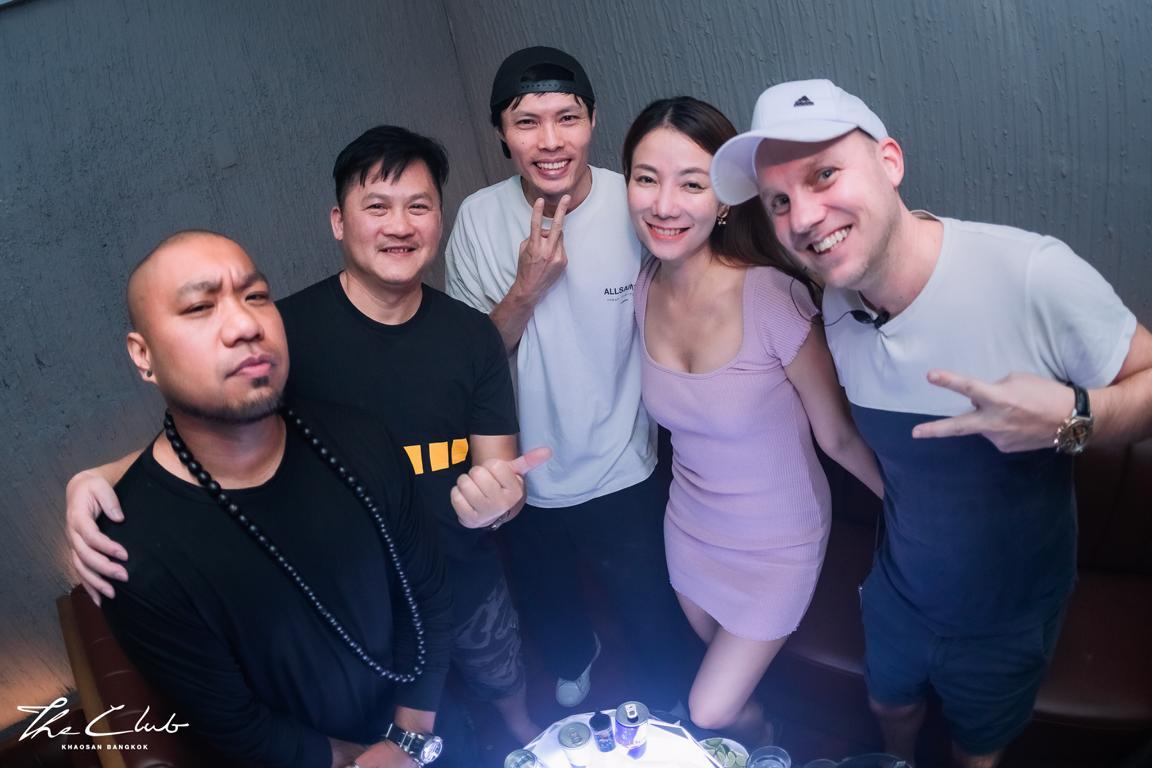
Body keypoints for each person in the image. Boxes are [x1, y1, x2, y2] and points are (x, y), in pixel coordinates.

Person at [711, 78, 1152, 767]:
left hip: (1008, 616)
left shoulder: (1031, 274)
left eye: (824, 174)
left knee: (975, 751)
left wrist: (1075, 418)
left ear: (889, 162)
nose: (804, 216)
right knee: (891, 710)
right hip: (899, 592)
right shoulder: (837, 304)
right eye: (779, 201)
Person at [66, 126, 546, 748]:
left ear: (438, 220)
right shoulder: (279, 331)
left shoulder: (472, 335)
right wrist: (100, 477)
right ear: (338, 222)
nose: (400, 225)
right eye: (377, 206)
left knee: (502, 684)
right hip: (353, 586)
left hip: (455, 566)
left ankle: (523, 735)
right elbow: (219, 430)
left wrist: (499, 504)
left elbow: (501, 472)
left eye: (419, 206)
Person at [99, 230, 452, 767]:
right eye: (199, 307)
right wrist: (359, 760)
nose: (245, 324)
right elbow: (234, 723)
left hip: (425, 726)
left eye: (256, 296)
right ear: (143, 356)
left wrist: (408, 739)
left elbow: (428, 593)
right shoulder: (132, 549)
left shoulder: (359, 439)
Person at [622, 97, 883, 745]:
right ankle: (764, 740)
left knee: (708, 709)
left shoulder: (772, 295)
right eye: (647, 178)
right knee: (732, 688)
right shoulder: (643, 286)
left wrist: (918, 511)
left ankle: (763, 738)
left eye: (691, 184)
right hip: (690, 530)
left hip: (777, 544)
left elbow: (838, 435)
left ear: (725, 199)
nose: (664, 204)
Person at [445, 46, 698, 709]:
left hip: (625, 461)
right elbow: (470, 363)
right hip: (523, 469)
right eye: (526, 122)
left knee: (651, 612)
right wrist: (526, 289)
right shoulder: (477, 219)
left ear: (593, 121)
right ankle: (574, 656)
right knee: (549, 606)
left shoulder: (633, 203)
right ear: (502, 133)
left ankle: (671, 702)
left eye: (567, 117)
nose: (550, 141)